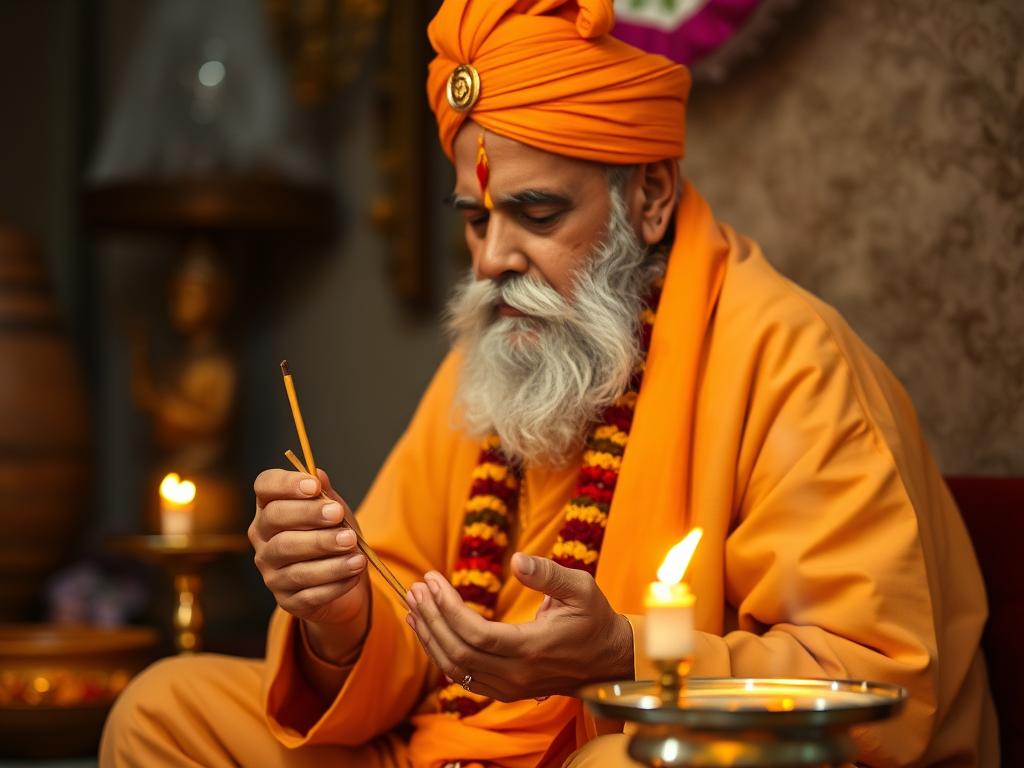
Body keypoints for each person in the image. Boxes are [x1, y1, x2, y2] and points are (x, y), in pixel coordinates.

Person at [100, 1, 998, 765]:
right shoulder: (499, 348)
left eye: (536, 213)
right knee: (165, 713)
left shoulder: (790, 359)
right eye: (476, 219)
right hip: (462, 744)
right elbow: (406, 592)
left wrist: (624, 656)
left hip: (633, 742)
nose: (492, 260)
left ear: (648, 196)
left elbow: (880, 679)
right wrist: (341, 618)